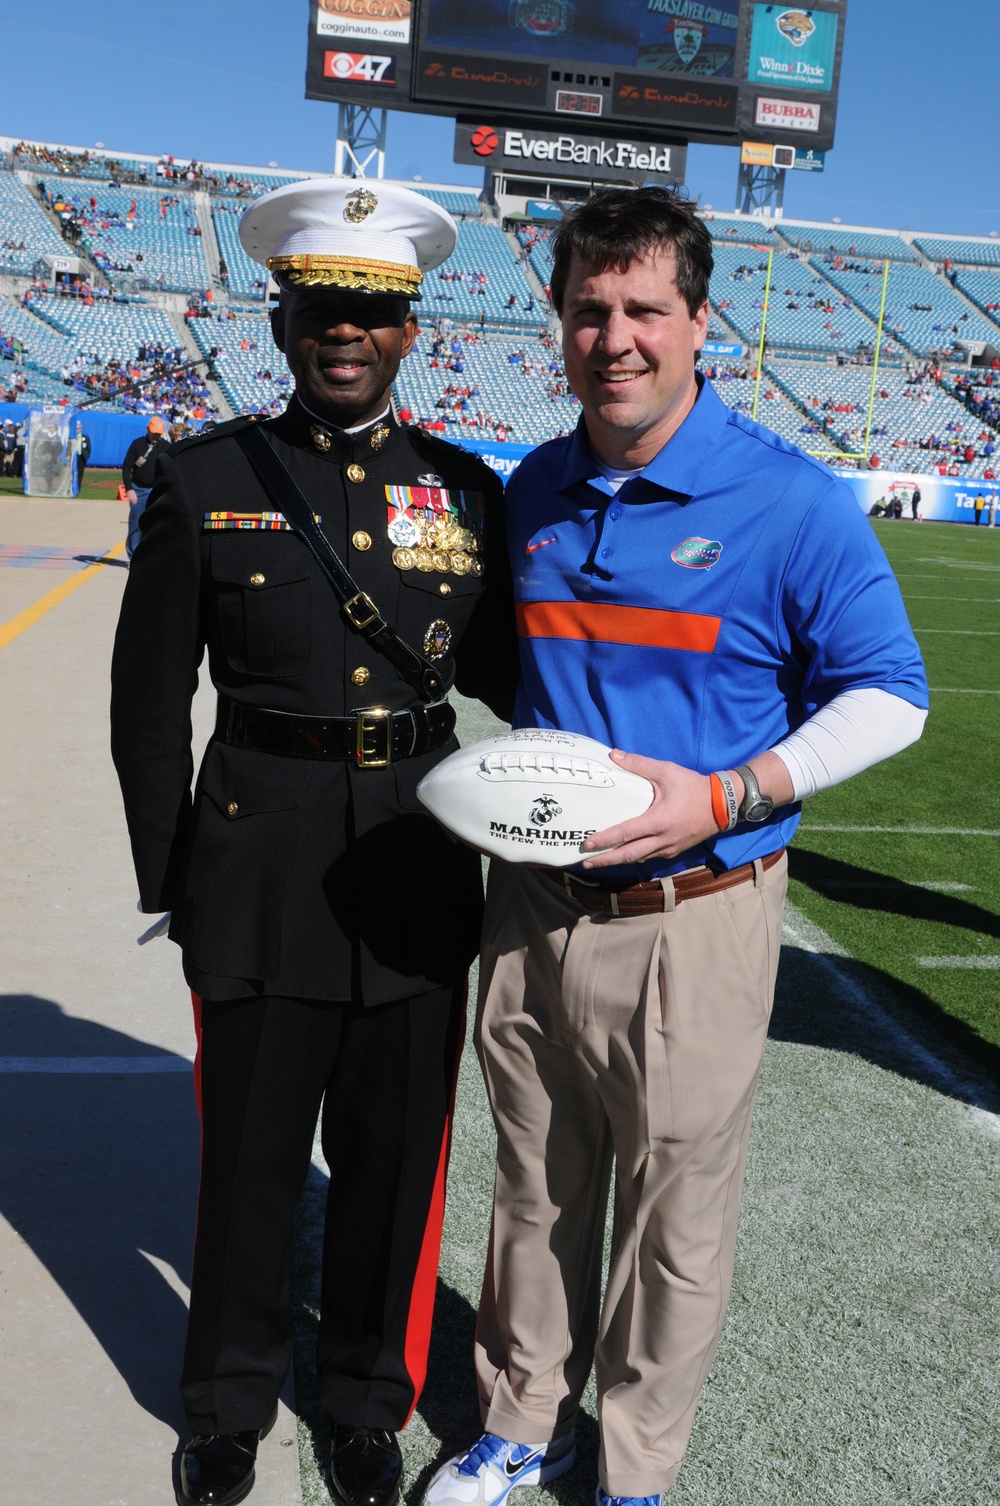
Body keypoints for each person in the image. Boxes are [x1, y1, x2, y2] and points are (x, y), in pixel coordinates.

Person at [422, 187, 928, 1506]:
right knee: (530, 1189)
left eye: (647, 308)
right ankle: (521, 1418)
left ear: (703, 322)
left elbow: (890, 693)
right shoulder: (532, 487)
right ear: (560, 326)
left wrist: (728, 794)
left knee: (673, 1222)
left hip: (697, 910)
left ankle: (634, 1466)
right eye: (590, 310)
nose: (617, 336)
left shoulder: (792, 500)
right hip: (533, 908)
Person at [110, 179, 517, 1506]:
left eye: (373, 309)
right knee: (248, 1161)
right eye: (322, 305)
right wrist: (176, 872)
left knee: (393, 1168)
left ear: (413, 331)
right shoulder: (205, 477)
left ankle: (360, 1398)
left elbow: (523, 674)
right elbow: (146, 699)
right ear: (281, 314)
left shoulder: (464, 490)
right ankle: (224, 1402)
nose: (345, 329)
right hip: (259, 864)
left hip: (413, 865)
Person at [121, 416, 169, 558]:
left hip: (157, 491)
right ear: (147, 429)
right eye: (153, 432)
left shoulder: (166, 447)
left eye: (158, 434)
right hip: (138, 490)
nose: (156, 436)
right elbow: (126, 467)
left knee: (155, 525)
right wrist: (129, 489)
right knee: (136, 525)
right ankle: (133, 556)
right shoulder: (137, 444)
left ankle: (151, 556)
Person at [74, 420, 92, 490]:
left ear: (81, 429)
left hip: (81, 456)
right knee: (72, 473)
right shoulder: (72, 437)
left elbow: (88, 448)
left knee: (80, 473)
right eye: (76, 428)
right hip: (74, 456)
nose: (76, 430)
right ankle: (71, 487)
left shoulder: (85, 438)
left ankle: (78, 488)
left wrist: (85, 456)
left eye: (78, 428)